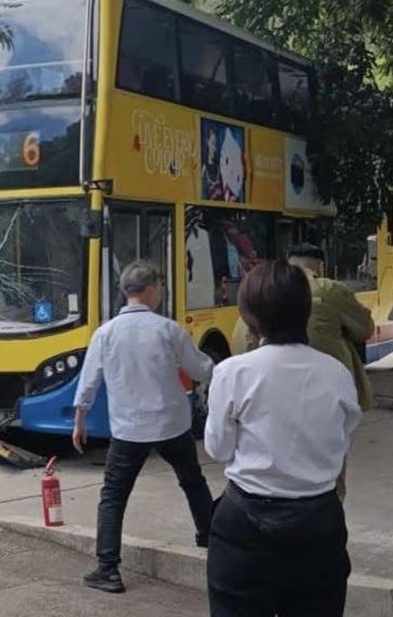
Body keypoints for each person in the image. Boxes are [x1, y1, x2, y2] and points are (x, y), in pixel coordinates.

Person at [205, 260, 361, 616]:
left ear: (249, 317)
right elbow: (342, 440)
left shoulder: (233, 372)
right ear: (305, 310)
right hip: (318, 523)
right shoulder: (335, 373)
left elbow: (218, 448)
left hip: (243, 523)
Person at [73, 260, 216, 594]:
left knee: (113, 496)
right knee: (192, 481)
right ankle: (210, 540)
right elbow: (200, 369)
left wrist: (79, 422)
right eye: (160, 286)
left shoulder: (105, 333)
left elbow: (88, 383)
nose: (161, 291)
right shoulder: (168, 329)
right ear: (151, 289)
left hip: (129, 430)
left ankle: (108, 569)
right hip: (172, 425)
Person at [232, 243, 374, 499]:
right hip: (320, 397)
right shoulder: (330, 292)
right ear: (319, 266)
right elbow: (364, 329)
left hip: (261, 395)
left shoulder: (261, 291)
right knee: (326, 469)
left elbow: (220, 445)